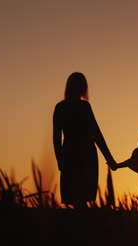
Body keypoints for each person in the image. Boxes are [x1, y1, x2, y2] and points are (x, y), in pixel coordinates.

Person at [53, 72, 117, 208]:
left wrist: (59, 158)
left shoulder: (60, 108)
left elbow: (56, 138)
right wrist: (109, 158)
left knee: (76, 199)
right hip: (86, 154)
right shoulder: (84, 107)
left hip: (69, 154)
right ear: (83, 88)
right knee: (83, 198)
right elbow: (97, 134)